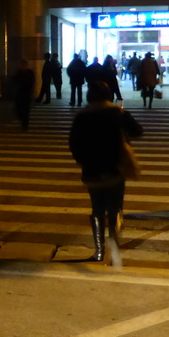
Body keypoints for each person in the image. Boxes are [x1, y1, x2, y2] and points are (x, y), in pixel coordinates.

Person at [69, 82, 143, 266]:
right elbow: (138, 131)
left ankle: (99, 251)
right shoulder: (117, 113)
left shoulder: (82, 117)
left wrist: (83, 159)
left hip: (92, 169)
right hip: (115, 167)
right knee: (115, 207)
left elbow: (73, 144)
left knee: (97, 208)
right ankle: (115, 247)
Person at [12, 59, 36, 131]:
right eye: (22, 65)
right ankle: (23, 121)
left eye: (24, 65)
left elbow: (32, 83)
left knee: (26, 111)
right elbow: (14, 81)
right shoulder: (19, 73)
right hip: (19, 94)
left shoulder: (30, 73)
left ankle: (25, 125)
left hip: (26, 95)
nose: (23, 67)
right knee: (18, 110)